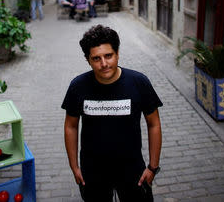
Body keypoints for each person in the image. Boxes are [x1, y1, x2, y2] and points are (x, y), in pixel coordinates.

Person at [62, 25, 163, 202]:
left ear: (117, 53)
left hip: (133, 171)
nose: (104, 64)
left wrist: (153, 167)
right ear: (88, 60)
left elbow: (153, 123)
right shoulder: (78, 86)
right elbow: (71, 126)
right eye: (96, 58)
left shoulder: (139, 83)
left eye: (108, 56)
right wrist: (74, 166)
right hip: (92, 172)